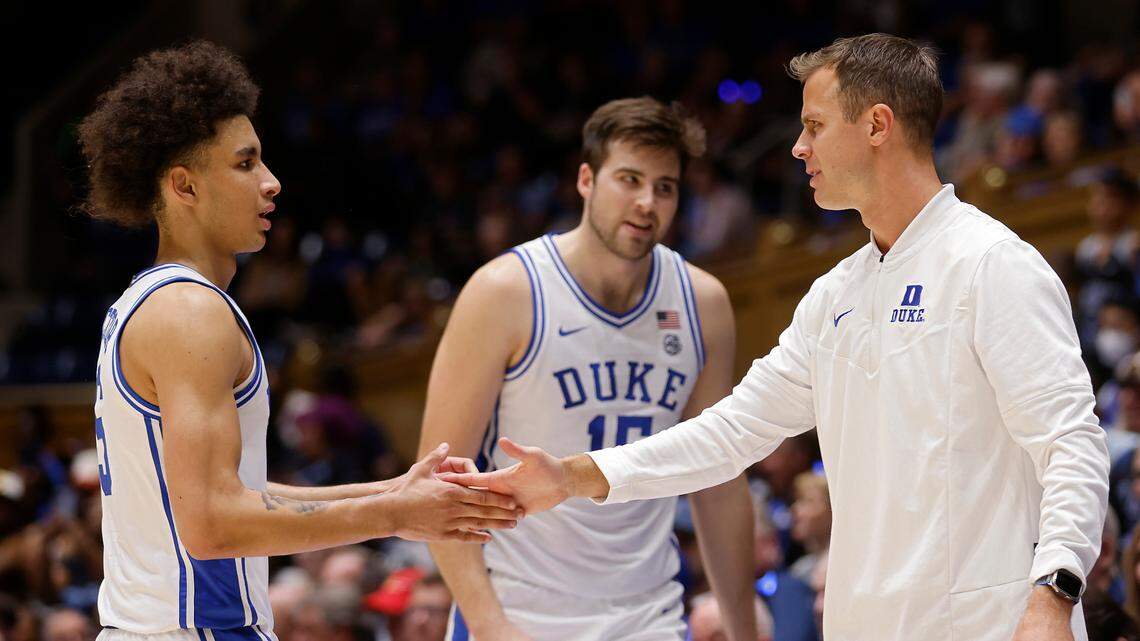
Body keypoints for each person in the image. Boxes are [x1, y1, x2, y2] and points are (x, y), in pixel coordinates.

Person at [443, 34, 1110, 641]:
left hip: (992, 625)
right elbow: (730, 430)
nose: (798, 147)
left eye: (814, 126)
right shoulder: (835, 294)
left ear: (877, 125)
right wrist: (575, 475)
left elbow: (1071, 442)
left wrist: (1055, 592)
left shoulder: (992, 263)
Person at [78, 41, 520, 640]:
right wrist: (393, 512)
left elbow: (238, 494)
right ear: (184, 186)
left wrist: (396, 492)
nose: (271, 182)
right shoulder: (187, 311)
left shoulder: (153, 302)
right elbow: (211, 523)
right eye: (245, 164)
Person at [418, 97, 757, 641]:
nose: (647, 202)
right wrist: (489, 625)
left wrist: (744, 633)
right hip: (519, 611)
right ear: (586, 180)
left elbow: (718, 479)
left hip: (650, 617)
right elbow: (436, 481)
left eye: (665, 187)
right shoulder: (505, 292)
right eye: (629, 179)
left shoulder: (703, 304)